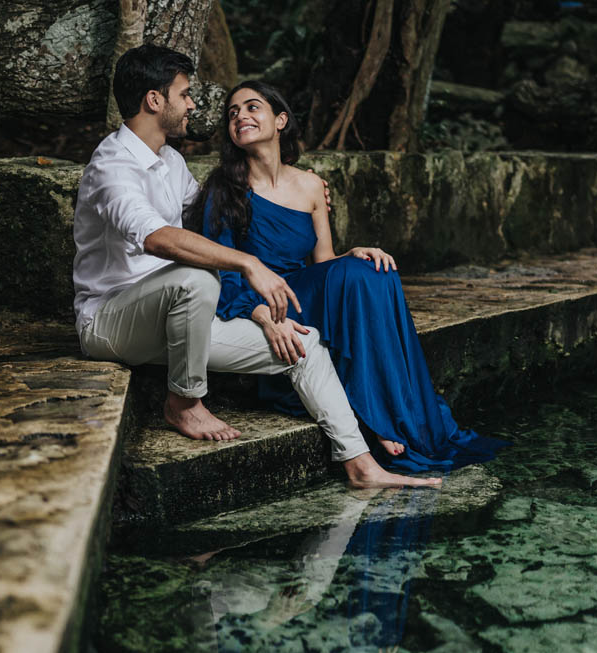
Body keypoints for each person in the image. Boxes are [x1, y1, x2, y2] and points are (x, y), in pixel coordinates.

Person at [73, 44, 439, 488]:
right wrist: (248, 264)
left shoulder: (170, 162)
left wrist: (303, 198)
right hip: (111, 320)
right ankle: (184, 402)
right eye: (185, 94)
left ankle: (360, 463)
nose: (192, 105)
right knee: (195, 277)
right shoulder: (112, 165)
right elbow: (157, 238)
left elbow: (210, 211)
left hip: (180, 319)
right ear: (155, 100)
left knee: (305, 345)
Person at [195, 80, 509, 472]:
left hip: (303, 293)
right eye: (233, 112)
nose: (240, 115)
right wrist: (263, 316)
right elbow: (221, 274)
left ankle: (386, 411)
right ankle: (379, 417)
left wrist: (353, 253)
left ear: (280, 120)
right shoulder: (223, 191)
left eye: (252, 107)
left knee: (374, 269)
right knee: (358, 277)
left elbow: (324, 260)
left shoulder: (310, 185)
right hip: (262, 303)